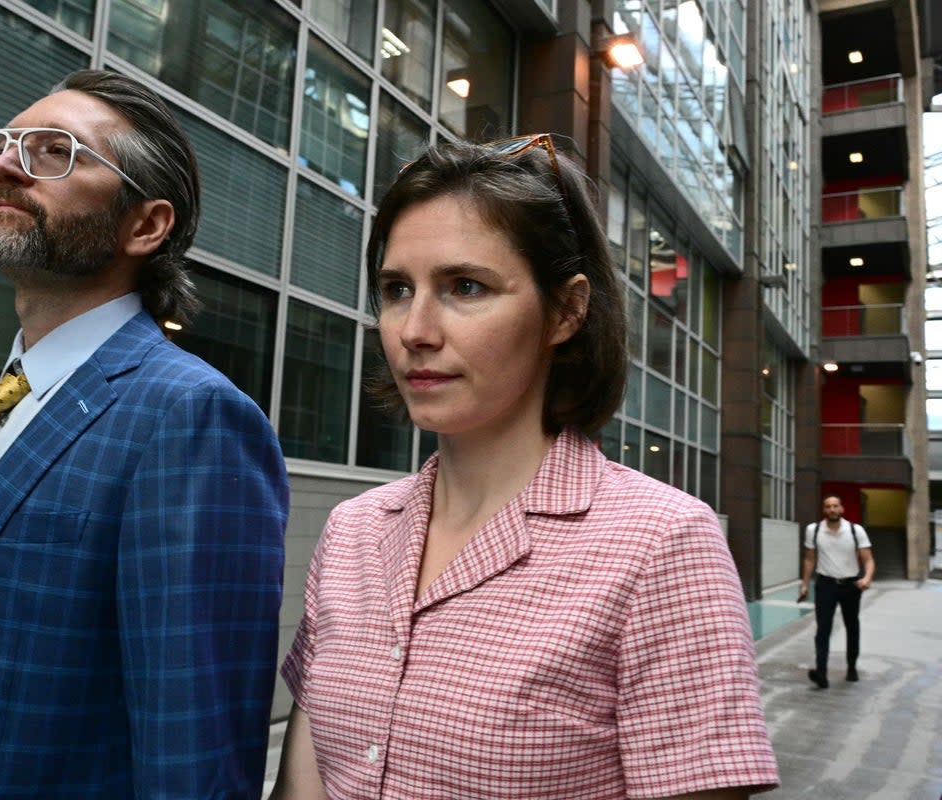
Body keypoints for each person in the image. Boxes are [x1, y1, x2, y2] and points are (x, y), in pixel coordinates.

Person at [0, 70, 288, 799]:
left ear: (145, 225)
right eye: (5, 146)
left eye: (53, 151)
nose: (4, 164)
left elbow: (192, 747)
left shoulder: (191, 417)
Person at [271, 135, 779, 799]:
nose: (415, 329)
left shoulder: (662, 545)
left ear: (565, 310)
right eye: (397, 289)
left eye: (466, 287)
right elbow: (303, 783)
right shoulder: (353, 531)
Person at [797, 494, 875, 688]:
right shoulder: (813, 530)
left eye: (835, 506)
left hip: (851, 585)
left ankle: (851, 667)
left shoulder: (855, 531)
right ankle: (821, 673)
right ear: (824, 510)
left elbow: (868, 559)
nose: (832, 509)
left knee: (852, 627)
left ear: (842, 509)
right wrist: (805, 584)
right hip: (825, 585)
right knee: (823, 629)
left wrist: (866, 578)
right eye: (828, 506)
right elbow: (809, 559)